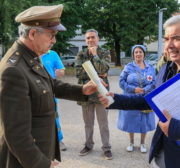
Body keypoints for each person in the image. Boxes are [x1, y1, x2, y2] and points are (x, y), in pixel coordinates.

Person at [0, 5, 98, 168]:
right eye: (51, 35)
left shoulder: (30, 57)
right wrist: (41, 167)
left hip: (35, 153)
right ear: (32, 34)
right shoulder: (13, 69)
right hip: (23, 165)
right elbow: (16, 133)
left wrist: (82, 90)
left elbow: (49, 84)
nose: (54, 41)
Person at [99, 15, 180, 168]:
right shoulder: (166, 69)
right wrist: (115, 99)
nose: (169, 45)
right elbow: (148, 99)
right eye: (166, 39)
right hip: (165, 153)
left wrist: (175, 128)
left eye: (176, 39)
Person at [75, 29, 112, 160]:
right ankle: (88, 145)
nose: (90, 40)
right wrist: (98, 75)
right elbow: (78, 73)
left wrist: (96, 56)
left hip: (101, 93)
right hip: (86, 94)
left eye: (93, 37)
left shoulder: (104, 52)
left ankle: (106, 148)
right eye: (88, 38)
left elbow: (105, 69)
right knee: (88, 123)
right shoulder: (81, 54)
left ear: (98, 39)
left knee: (104, 123)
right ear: (85, 40)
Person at [118, 45, 156, 153]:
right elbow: (121, 82)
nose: (138, 54)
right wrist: (133, 89)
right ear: (133, 54)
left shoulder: (150, 68)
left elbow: (154, 82)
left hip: (145, 98)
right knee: (130, 120)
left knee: (144, 120)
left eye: (140, 52)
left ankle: (142, 143)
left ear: (144, 54)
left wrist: (145, 89)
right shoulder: (128, 67)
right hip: (131, 98)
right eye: (136, 52)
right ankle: (131, 142)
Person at [41, 50, 67, 151]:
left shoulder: (52, 54)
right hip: (33, 90)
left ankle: (59, 140)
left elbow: (62, 71)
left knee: (53, 115)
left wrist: (59, 72)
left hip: (50, 90)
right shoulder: (30, 52)